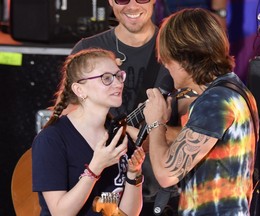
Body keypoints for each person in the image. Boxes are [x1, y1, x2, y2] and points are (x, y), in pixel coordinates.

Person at [134, 8, 259, 215]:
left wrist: (156, 122)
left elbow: (166, 174)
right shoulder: (231, 88)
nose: (164, 64)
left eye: (167, 58)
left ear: (184, 58)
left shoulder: (215, 100)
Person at [71, 0, 182, 215]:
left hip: (158, 194)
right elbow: (68, 119)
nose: (132, 6)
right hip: (99, 191)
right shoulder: (87, 49)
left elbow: (192, 135)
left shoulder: (178, 52)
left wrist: (151, 134)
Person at [32, 48, 145, 216]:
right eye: (106, 78)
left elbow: (128, 214)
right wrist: (95, 168)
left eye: (119, 76)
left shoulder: (119, 136)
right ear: (79, 90)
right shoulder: (51, 139)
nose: (118, 83)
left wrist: (133, 174)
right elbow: (60, 213)